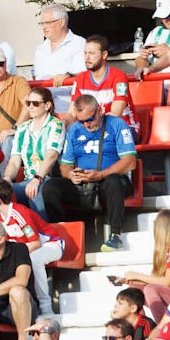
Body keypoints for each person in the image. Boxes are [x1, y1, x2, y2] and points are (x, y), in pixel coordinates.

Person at [46, 93, 137, 250]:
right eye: (82, 121)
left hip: (109, 180)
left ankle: (116, 235)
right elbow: (65, 165)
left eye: (90, 119)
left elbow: (130, 161)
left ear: (100, 111)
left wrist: (100, 174)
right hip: (85, 182)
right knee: (50, 187)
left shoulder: (117, 124)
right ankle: (59, 236)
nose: (86, 125)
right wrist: (71, 175)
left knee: (113, 182)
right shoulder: (74, 130)